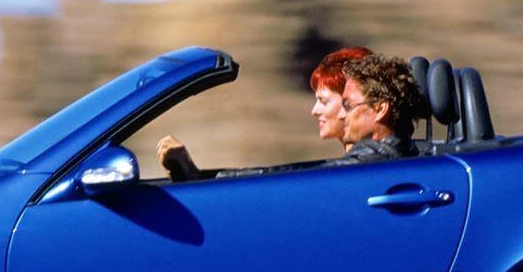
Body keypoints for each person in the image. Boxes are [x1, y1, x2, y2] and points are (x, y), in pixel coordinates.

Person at [156, 49, 421, 180]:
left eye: (348, 105)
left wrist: (199, 178)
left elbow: (291, 180)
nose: (343, 115)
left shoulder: (374, 164)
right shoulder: (385, 158)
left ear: (380, 109)